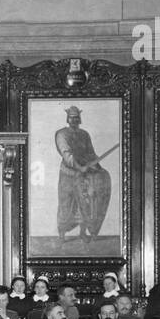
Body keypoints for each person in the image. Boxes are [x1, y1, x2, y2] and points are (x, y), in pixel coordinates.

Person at [55, 105, 112, 246]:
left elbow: (90, 153)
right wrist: (78, 166)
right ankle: (62, 234)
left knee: (85, 204)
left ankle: (83, 233)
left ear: (80, 119)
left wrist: (96, 165)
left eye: (76, 118)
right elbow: (66, 153)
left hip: (84, 175)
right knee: (66, 204)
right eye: (71, 118)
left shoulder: (84, 134)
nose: (74, 120)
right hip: (68, 174)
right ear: (67, 118)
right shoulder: (62, 134)